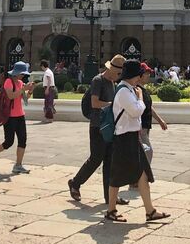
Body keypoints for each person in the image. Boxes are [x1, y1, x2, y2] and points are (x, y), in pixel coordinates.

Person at [105, 60, 169, 223]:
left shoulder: (129, 89)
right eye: (139, 75)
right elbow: (135, 111)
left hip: (132, 137)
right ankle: (111, 210)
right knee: (117, 175)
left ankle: (150, 211)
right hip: (124, 138)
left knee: (143, 175)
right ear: (134, 76)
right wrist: (140, 98)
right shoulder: (124, 92)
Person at [68, 55, 127, 205]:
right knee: (96, 159)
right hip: (97, 126)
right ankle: (75, 183)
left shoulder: (112, 83)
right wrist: (112, 104)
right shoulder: (98, 80)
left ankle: (110, 196)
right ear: (112, 69)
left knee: (109, 161)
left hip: (108, 126)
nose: (120, 76)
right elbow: (94, 103)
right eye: (119, 73)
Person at [0, 61, 34, 174]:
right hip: (10, 117)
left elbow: (25, 101)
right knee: (8, 142)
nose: (23, 76)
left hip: (20, 115)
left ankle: (18, 165)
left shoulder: (20, 83)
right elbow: (11, 95)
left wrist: (29, 91)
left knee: (23, 140)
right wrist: (23, 89)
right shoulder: (8, 82)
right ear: (16, 73)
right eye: (22, 73)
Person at [132, 62, 167, 186]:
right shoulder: (136, 90)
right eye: (146, 73)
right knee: (148, 151)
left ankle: (137, 178)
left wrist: (159, 120)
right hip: (140, 126)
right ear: (140, 75)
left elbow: (149, 107)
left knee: (142, 152)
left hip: (146, 126)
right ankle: (140, 178)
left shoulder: (143, 90)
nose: (148, 75)